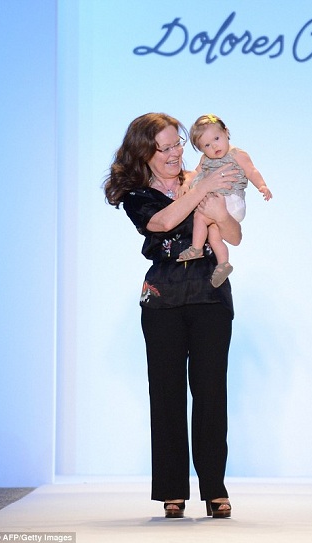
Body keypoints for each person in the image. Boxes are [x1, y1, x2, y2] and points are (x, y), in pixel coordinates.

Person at [103, 113, 241, 519]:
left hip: (209, 295)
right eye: (163, 148)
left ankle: (215, 489)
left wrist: (215, 200)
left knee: (211, 393)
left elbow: (232, 236)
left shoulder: (202, 175)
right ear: (144, 153)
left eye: (177, 143)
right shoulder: (136, 193)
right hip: (162, 299)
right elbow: (161, 223)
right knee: (166, 395)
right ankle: (171, 491)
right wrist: (203, 192)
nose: (174, 153)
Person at [177, 113, 272, 287]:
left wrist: (262, 186)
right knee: (214, 235)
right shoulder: (206, 159)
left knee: (200, 217)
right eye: (207, 145)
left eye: (216, 138)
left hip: (231, 200)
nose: (214, 146)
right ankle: (223, 264)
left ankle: (196, 248)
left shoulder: (237, 154)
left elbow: (251, 171)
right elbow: (195, 173)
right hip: (220, 204)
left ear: (226, 132)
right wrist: (186, 184)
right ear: (201, 149)